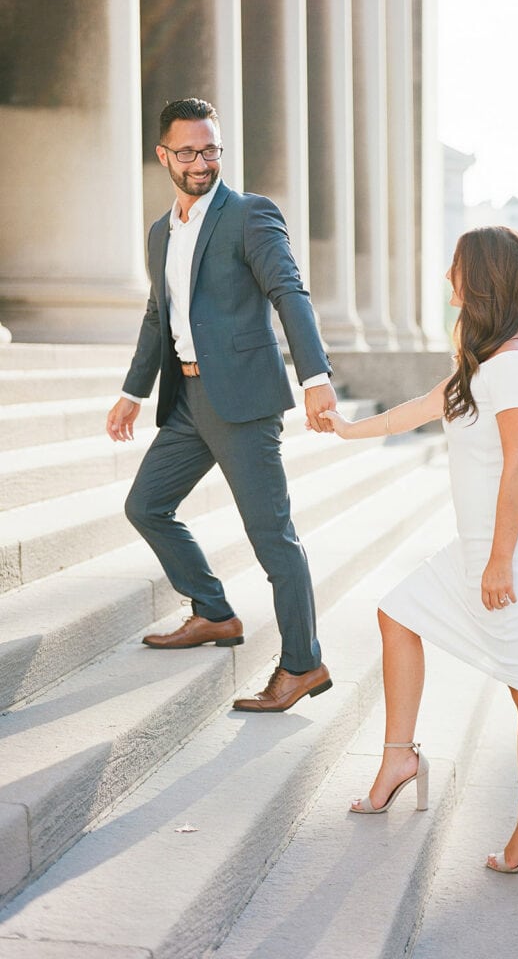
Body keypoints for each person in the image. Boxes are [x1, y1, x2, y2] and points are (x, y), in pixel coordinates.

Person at [319, 226, 518, 876]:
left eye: (454, 269)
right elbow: (420, 409)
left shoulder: (514, 366)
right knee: (397, 614)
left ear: (480, 278)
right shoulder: (483, 359)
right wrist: (346, 429)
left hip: (508, 544)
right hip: (480, 542)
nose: (446, 280)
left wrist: (500, 561)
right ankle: (399, 757)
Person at [106, 97, 335, 713]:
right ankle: (212, 611)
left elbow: (289, 291)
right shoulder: (162, 232)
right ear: (164, 156)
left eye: (211, 150)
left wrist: (314, 375)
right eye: (188, 152)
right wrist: (134, 391)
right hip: (186, 400)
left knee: (272, 538)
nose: (202, 162)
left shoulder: (250, 215)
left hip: (243, 401)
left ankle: (302, 664)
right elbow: (159, 316)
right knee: (147, 505)